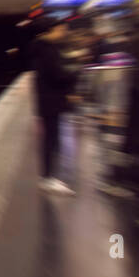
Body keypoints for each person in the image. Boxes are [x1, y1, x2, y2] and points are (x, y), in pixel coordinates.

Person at [29, 17, 80, 194]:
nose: (63, 33)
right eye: (61, 29)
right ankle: (48, 178)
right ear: (52, 30)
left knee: (51, 139)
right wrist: (74, 73)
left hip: (47, 100)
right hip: (51, 100)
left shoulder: (43, 48)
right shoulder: (47, 50)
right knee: (52, 140)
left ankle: (48, 177)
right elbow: (57, 75)